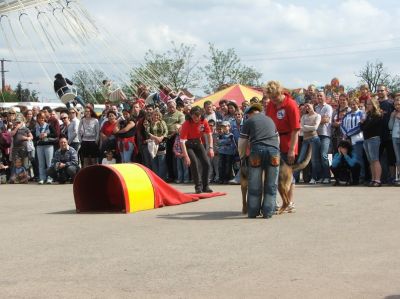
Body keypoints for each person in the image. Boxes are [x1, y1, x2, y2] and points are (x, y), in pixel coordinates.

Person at [238, 103, 280, 218]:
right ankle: (267, 212)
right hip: (274, 152)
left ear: (250, 113)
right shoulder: (270, 120)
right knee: (271, 184)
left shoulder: (249, 122)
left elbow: (242, 142)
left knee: (255, 183)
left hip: (257, 151)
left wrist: (242, 157)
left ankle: (253, 212)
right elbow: (277, 138)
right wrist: (276, 151)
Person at [265, 80, 300, 212]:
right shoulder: (270, 105)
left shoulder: (290, 105)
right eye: (271, 98)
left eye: (275, 97)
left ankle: (289, 202)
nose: (273, 100)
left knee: (287, 174)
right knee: (273, 173)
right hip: (274, 142)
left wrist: (292, 149)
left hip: (288, 141)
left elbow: (296, 129)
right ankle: (275, 202)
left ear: (280, 92)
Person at [180, 106, 214, 194]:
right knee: (194, 163)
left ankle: (205, 186)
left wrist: (211, 148)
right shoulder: (186, 124)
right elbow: (182, 142)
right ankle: (198, 186)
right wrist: (186, 156)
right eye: (194, 117)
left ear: (201, 116)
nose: (196, 119)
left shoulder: (204, 121)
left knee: (206, 163)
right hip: (188, 145)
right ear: (190, 115)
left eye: (197, 117)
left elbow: (209, 134)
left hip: (198, 143)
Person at [360, 98, 384, 187]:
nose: (367, 105)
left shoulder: (378, 114)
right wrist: (362, 123)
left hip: (374, 139)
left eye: (369, 104)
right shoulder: (368, 115)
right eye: (367, 104)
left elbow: (369, 126)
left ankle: (378, 180)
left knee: (375, 159)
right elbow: (362, 128)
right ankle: (373, 179)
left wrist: (363, 123)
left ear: (374, 104)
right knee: (370, 161)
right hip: (366, 139)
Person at [298, 102, 321, 184]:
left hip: (314, 138)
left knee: (314, 160)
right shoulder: (304, 116)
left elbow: (315, 127)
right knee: (300, 158)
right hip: (305, 139)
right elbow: (301, 127)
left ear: (313, 106)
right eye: (306, 106)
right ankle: (293, 177)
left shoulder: (318, 116)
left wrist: (305, 126)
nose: (307, 107)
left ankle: (314, 178)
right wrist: (308, 127)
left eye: (309, 105)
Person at [163, 100, 185, 182]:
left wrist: (173, 134)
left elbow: (181, 125)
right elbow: (162, 125)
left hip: (176, 137)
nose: (171, 108)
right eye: (169, 107)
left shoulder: (180, 114)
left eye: (172, 106)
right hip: (167, 137)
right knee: (168, 157)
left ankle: (179, 176)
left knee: (177, 157)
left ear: (175, 106)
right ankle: (171, 176)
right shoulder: (165, 115)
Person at [315, 90, 333, 183]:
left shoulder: (328, 107)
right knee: (318, 156)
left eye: (320, 96)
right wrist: (319, 121)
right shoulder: (316, 108)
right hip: (317, 134)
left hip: (326, 134)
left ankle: (327, 176)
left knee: (324, 155)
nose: (319, 97)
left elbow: (326, 120)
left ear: (324, 97)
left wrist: (316, 122)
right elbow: (314, 120)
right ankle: (322, 176)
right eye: (317, 96)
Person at [34, 112, 57, 184]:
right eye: (40, 118)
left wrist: (47, 134)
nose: (42, 119)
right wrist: (39, 137)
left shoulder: (49, 126)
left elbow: (55, 134)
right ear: (37, 119)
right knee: (41, 163)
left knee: (49, 163)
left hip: (48, 145)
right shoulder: (36, 127)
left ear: (45, 118)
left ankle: (50, 178)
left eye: (43, 118)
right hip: (39, 146)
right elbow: (34, 138)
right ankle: (42, 178)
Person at [388, 97, 400, 184]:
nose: (397, 106)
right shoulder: (393, 113)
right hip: (395, 137)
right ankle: (398, 177)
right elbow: (390, 127)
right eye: (396, 105)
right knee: (398, 159)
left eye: (399, 104)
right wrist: (392, 117)